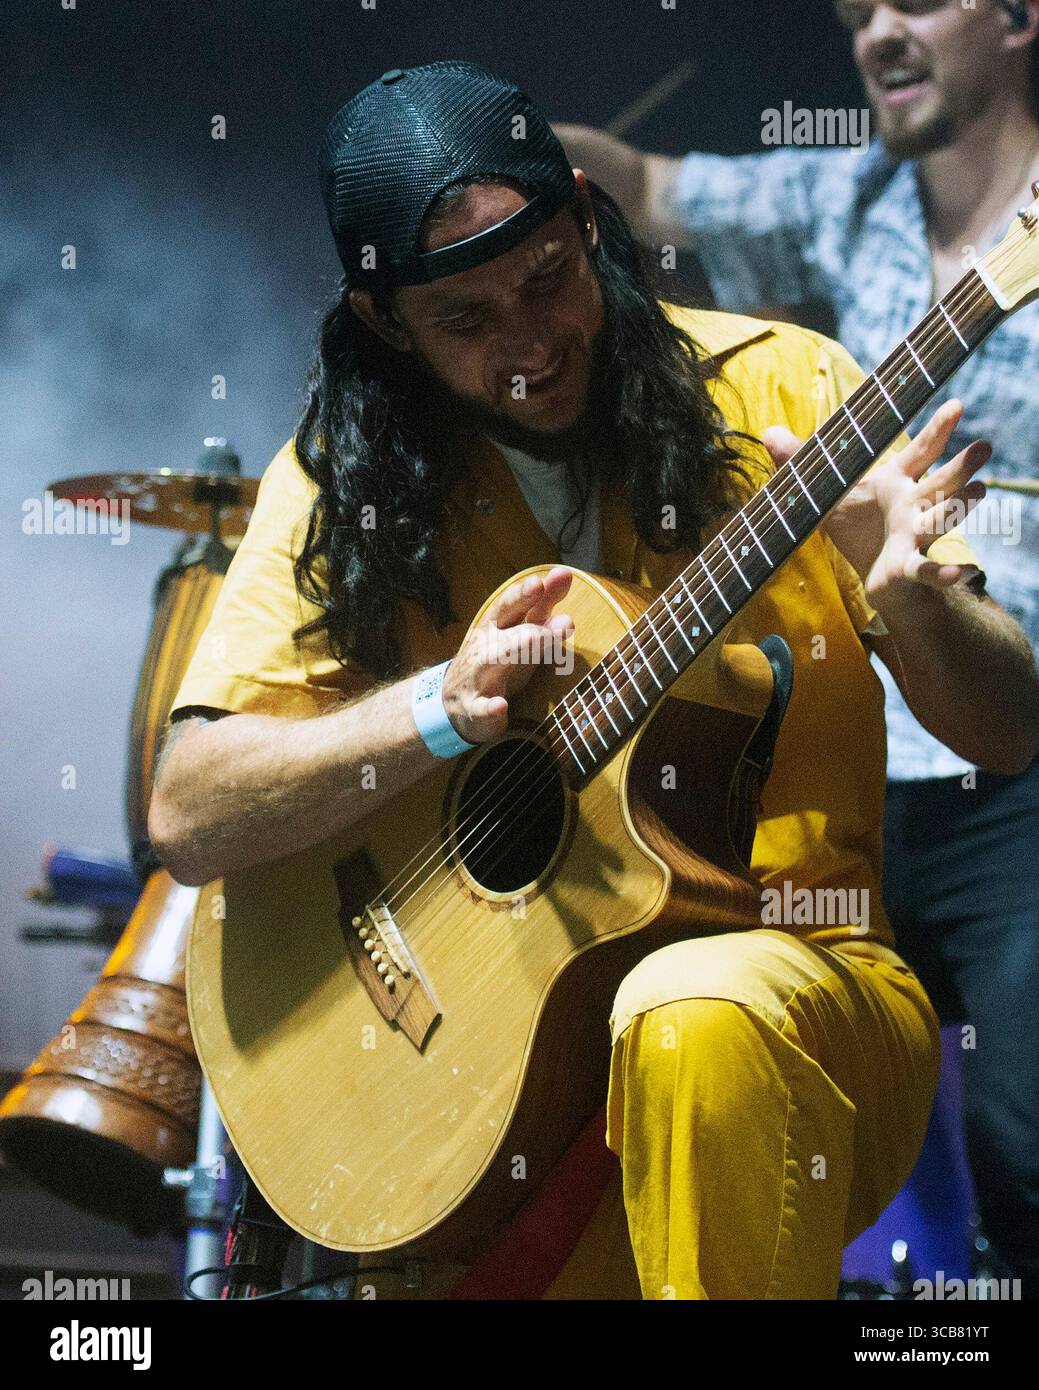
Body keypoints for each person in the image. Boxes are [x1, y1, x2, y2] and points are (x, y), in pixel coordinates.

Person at [148, 61, 1039, 1299]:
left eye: (550, 279)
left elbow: (1006, 732)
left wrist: (909, 596)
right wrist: (430, 716)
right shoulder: (346, 478)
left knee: (691, 1007)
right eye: (467, 321)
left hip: (803, 996)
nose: (529, 345)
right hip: (495, 1078)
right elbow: (190, 810)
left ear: (587, 219)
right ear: (384, 325)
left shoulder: (791, 395)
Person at [557, 0, 1039, 1297]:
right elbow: (654, 184)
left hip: (1012, 753)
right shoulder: (845, 194)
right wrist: (526, 159)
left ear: (1013, 19)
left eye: (913, 2)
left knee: (1023, 1143)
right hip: (857, 752)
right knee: (727, 1073)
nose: (874, 31)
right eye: (854, 10)